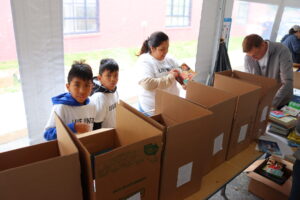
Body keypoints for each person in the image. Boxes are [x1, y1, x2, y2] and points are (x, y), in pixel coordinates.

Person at [44, 60, 102, 141]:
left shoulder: (92, 105)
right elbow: (47, 134)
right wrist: (72, 127)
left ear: (92, 87)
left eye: (87, 85)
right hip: (70, 150)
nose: (82, 90)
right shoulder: (61, 107)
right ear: (68, 87)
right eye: (77, 85)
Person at [136, 31, 186, 115]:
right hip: (152, 110)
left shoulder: (169, 58)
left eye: (167, 48)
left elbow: (183, 71)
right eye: (162, 49)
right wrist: (170, 77)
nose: (165, 52)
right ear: (152, 48)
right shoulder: (144, 61)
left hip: (170, 106)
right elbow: (147, 84)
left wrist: (185, 81)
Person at [242, 34, 293, 109]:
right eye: (250, 56)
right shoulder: (248, 57)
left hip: (280, 99)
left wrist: (268, 104)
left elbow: (287, 82)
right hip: (260, 100)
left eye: (255, 55)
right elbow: (251, 81)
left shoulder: (282, 51)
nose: (254, 58)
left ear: (263, 45)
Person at [90, 58, 119, 128]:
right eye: (108, 76)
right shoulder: (99, 97)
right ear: (100, 78)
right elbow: (96, 126)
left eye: (116, 75)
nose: (113, 79)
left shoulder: (114, 90)